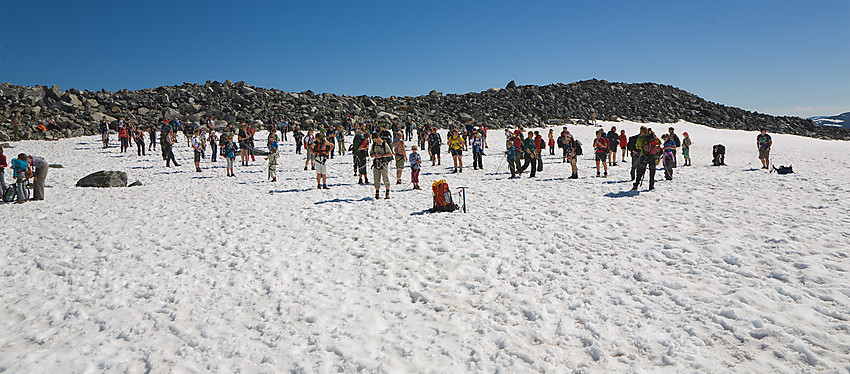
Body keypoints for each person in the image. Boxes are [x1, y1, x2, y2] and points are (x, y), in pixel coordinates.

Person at [370, 133, 393, 199]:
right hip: (376, 164)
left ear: (378, 138)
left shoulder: (384, 144)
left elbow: (390, 153)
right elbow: (371, 153)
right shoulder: (374, 145)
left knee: (385, 178)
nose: (375, 141)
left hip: (383, 163)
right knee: (376, 179)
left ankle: (387, 192)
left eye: (375, 140)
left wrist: (382, 156)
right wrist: (373, 155)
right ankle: (377, 193)